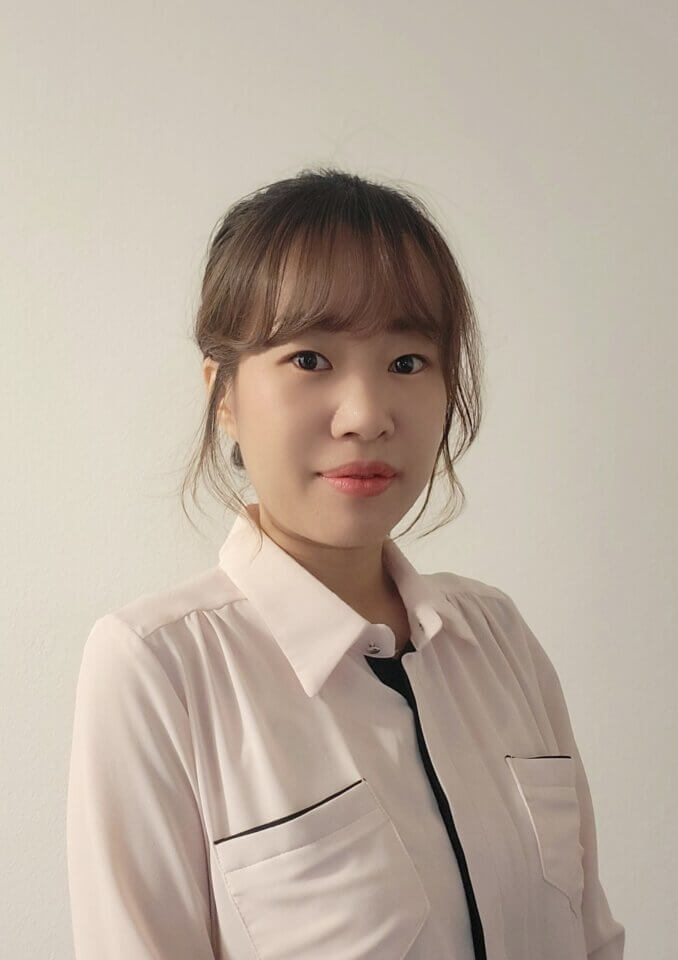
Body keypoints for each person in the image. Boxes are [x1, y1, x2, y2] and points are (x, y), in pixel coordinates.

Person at [66, 167, 625, 959]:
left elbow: (594, 941)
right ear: (222, 393)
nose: (365, 416)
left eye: (407, 362)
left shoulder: (497, 636)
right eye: (309, 359)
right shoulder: (160, 667)